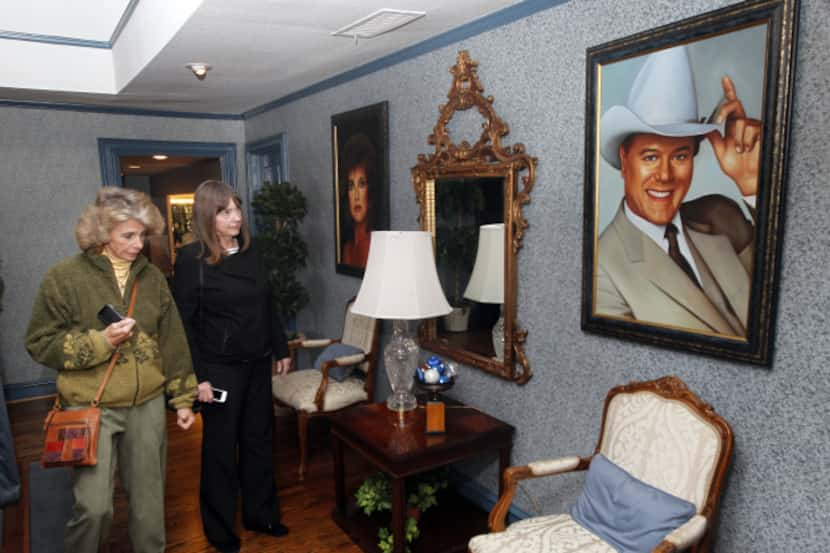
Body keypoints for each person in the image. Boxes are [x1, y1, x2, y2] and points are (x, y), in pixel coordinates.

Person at [25, 187, 198, 553]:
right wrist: (100, 342)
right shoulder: (64, 277)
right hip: (91, 407)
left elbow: (173, 341)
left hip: (147, 405)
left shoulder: (152, 279)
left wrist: (183, 398)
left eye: (142, 235)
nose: (139, 244)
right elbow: (39, 341)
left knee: (150, 508)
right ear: (103, 233)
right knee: (94, 508)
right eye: (128, 236)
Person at [596, 45, 760, 337]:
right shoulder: (603, 266)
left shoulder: (723, 215)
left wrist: (751, 184)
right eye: (650, 157)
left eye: (680, 156)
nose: (665, 175)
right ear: (624, 160)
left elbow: (788, 292)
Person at [173, 180, 292, 553]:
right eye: (226, 211)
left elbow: (267, 303)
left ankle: (262, 515)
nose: (236, 216)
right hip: (219, 371)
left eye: (237, 208)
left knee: (259, 443)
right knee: (221, 450)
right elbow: (185, 326)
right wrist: (199, 378)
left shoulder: (253, 253)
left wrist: (280, 347)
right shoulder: (191, 260)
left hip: (258, 364)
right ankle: (220, 530)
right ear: (209, 216)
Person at [340, 133, 377, 268]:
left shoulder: (374, 245)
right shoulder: (347, 248)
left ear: (370, 189)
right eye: (351, 186)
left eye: (362, 184)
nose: (356, 196)